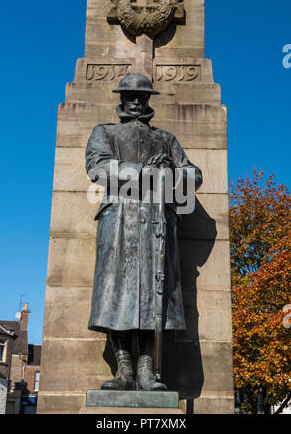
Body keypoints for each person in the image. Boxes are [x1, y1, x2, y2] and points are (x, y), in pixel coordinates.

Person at [86, 73, 203, 391]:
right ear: (122, 99)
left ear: (149, 100)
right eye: (130, 95)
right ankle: (124, 369)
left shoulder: (165, 138)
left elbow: (194, 175)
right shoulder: (104, 132)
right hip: (119, 223)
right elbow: (98, 168)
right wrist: (145, 172)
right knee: (117, 297)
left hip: (157, 227)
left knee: (156, 298)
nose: (136, 101)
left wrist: (172, 171)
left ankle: (147, 371)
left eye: (142, 95)